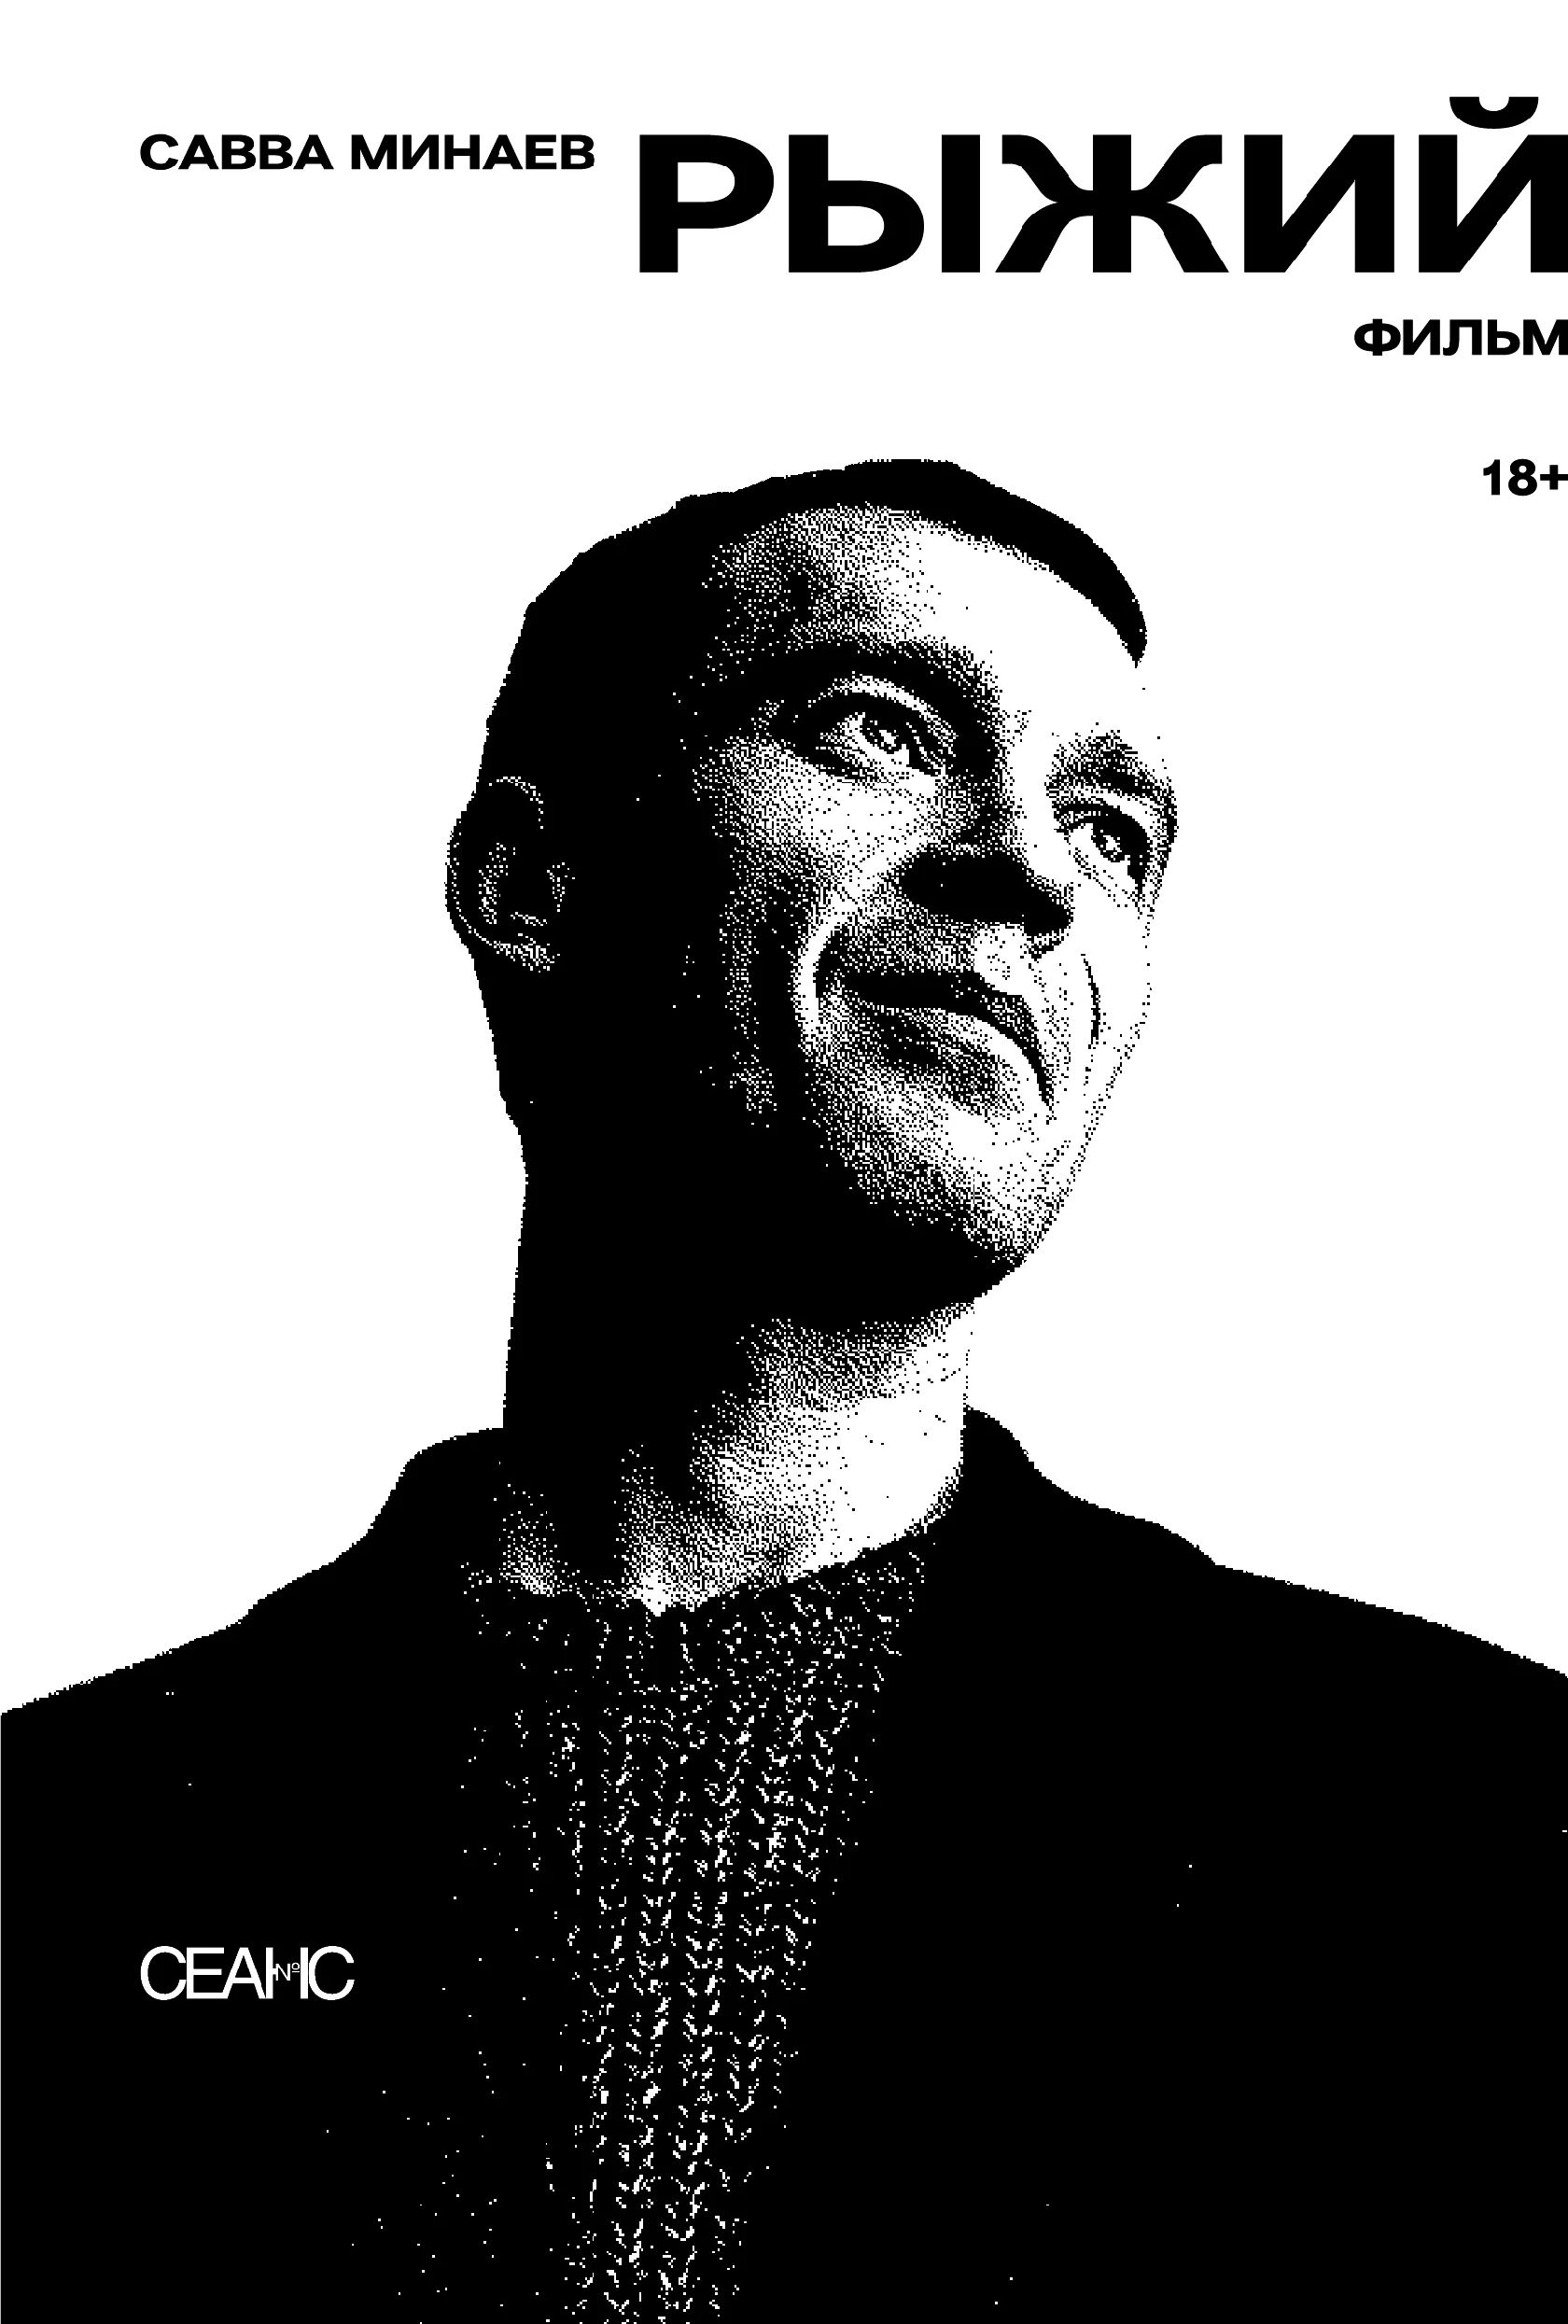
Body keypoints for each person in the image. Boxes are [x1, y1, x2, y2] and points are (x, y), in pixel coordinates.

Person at [4, 461, 1563, 2321]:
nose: (1032, 869)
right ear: (531, 885)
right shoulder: (55, 1862)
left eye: (1114, 830)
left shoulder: (1474, 1835)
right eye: (879, 729)